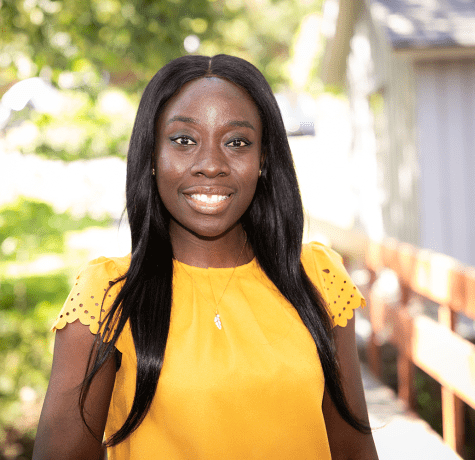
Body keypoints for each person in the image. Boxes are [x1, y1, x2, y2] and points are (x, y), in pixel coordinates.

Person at [33, 54, 379, 460]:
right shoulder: (107, 296)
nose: (211, 165)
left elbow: (354, 451)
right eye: (184, 140)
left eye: (237, 142)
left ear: (264, 159)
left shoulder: (318, 278)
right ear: (150, 156)